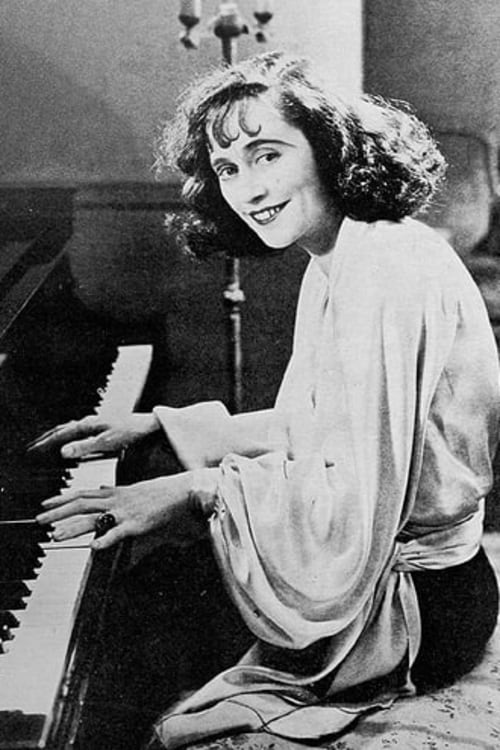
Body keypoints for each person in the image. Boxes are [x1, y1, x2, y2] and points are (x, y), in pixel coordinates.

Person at [32, 51, 500, 748]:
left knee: (128, 631)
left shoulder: (385, 269)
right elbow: (325, 428)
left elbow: (355, 510)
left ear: (331, 149)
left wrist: (197, 489)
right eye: (227, 168)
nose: (247, 189)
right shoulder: (345, 253)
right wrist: (157, 425)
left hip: (423, 610)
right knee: (142, 594)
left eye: (268, 155)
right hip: (425, 582)